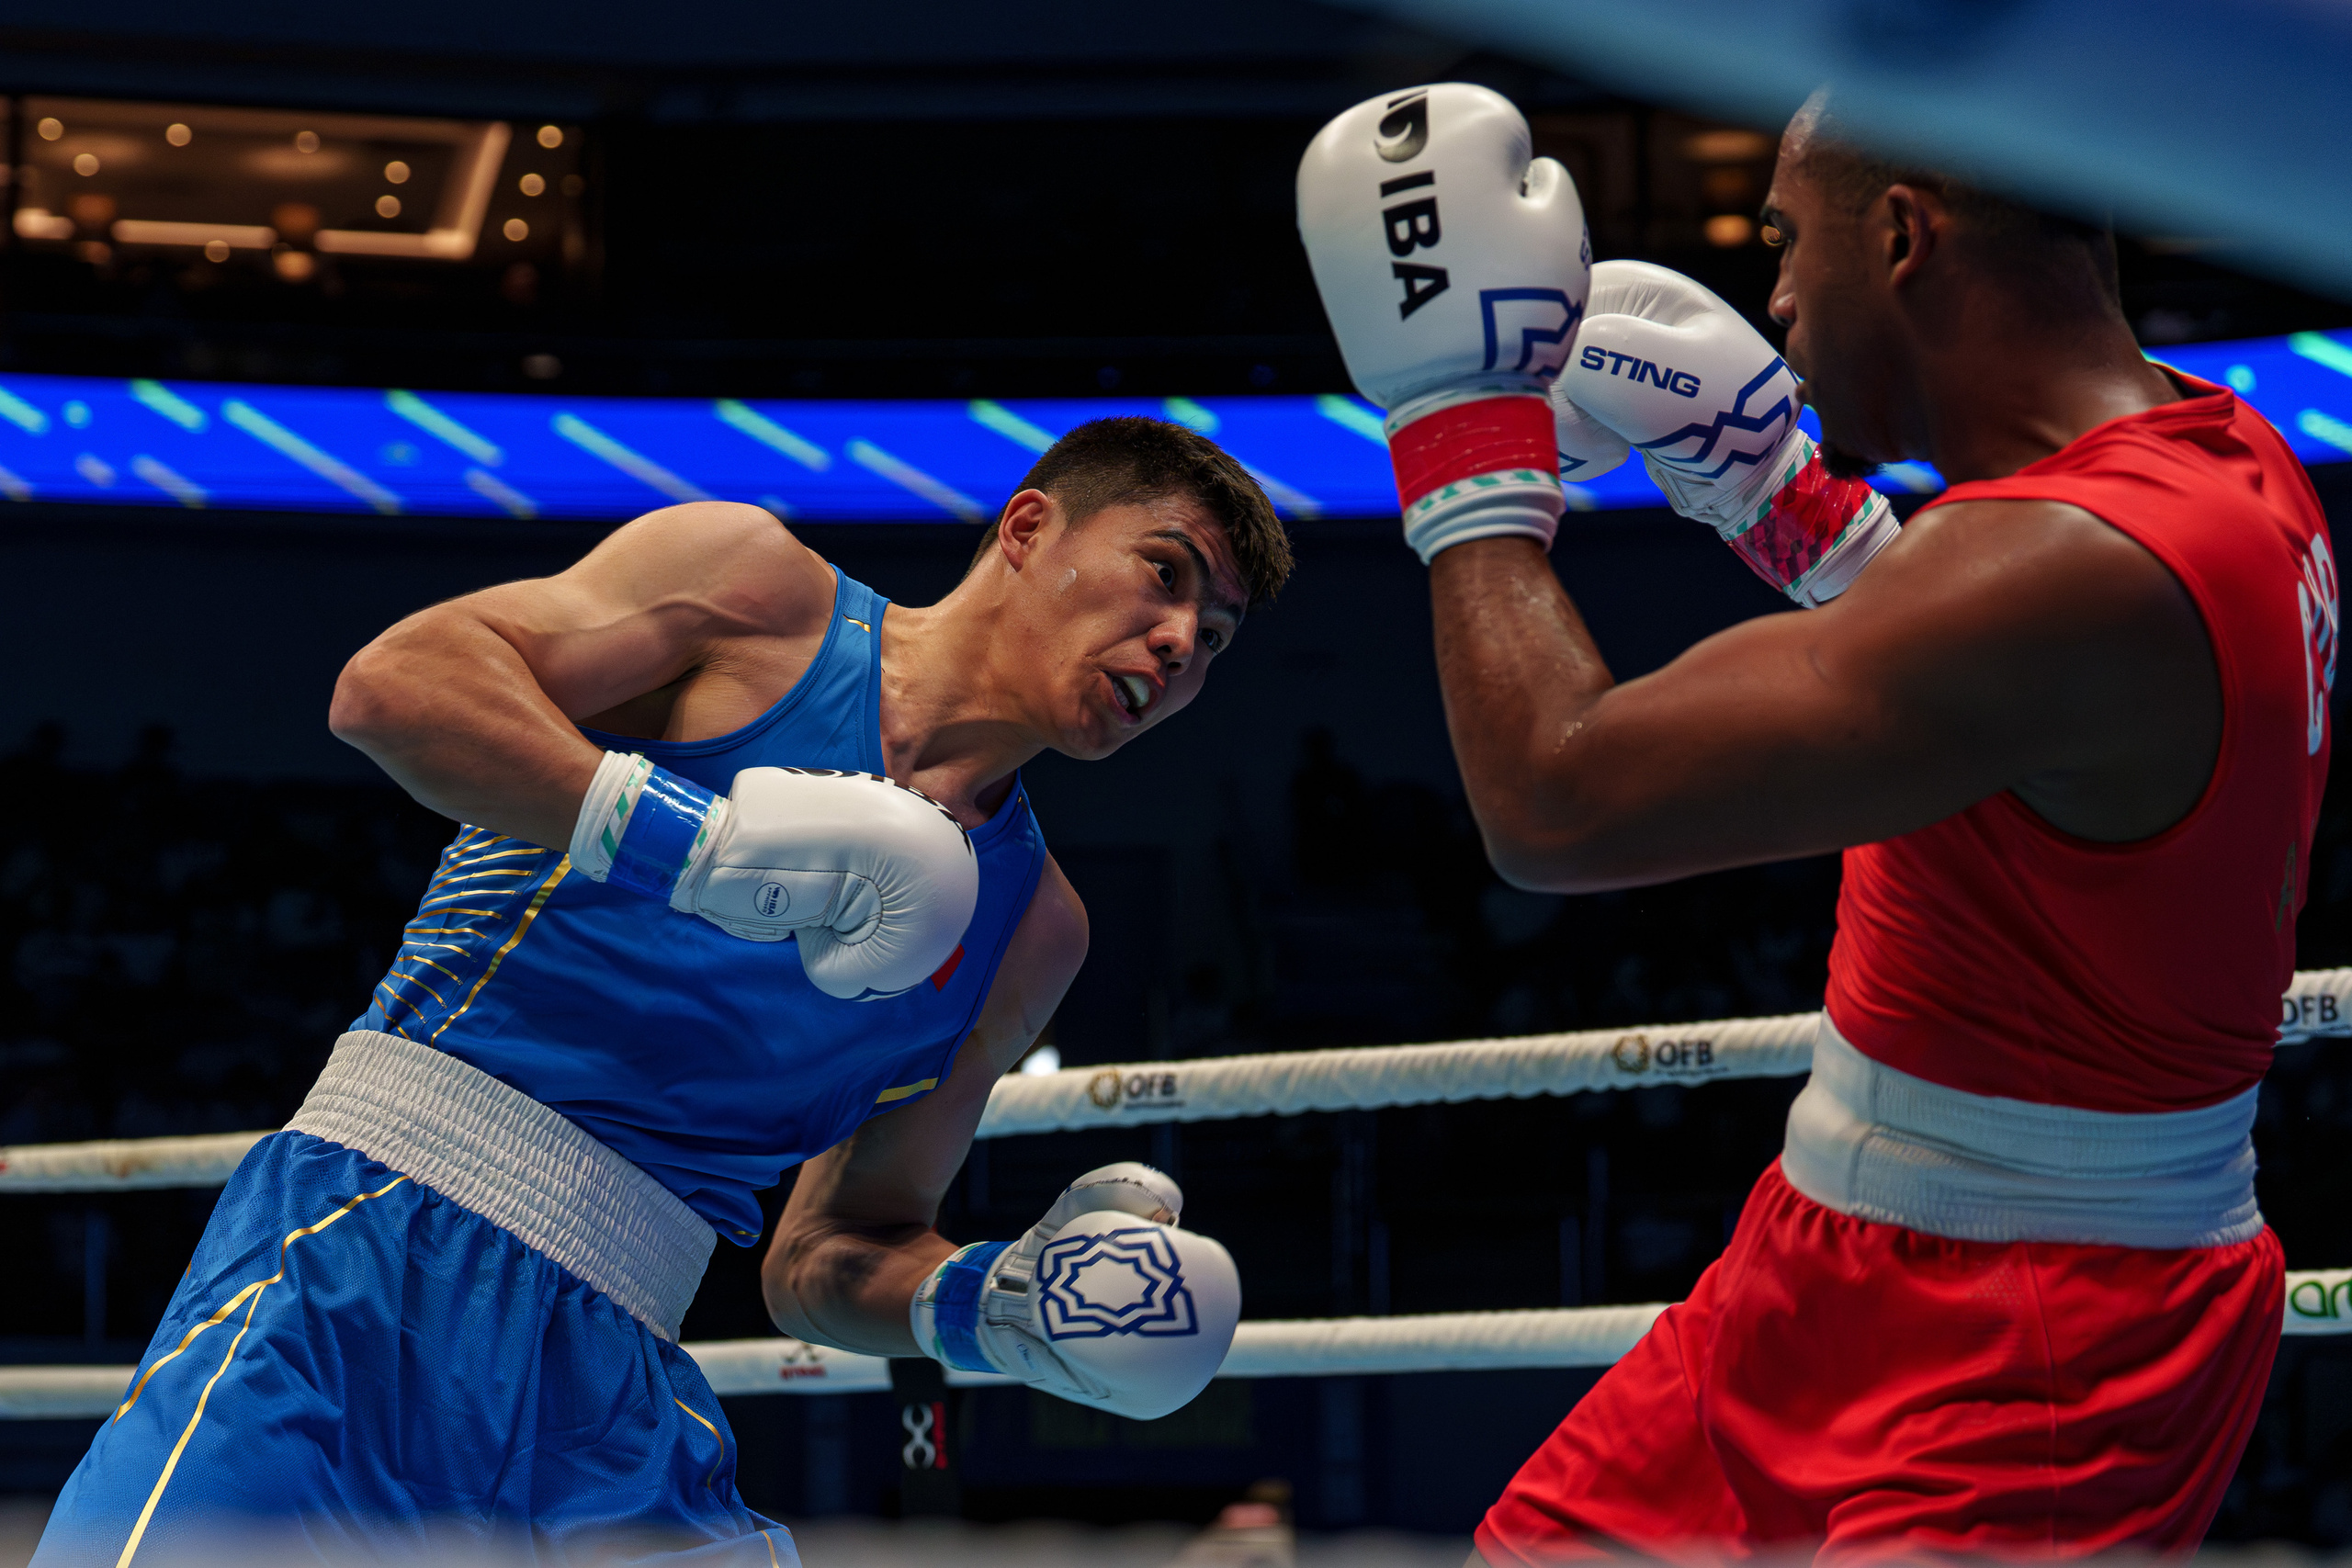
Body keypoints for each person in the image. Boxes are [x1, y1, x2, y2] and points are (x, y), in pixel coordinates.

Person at [1298, 84, 2332, 1559]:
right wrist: (1794, 515)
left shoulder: (2069, 568)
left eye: (1786, 242)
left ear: (1904, 236)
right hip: (1823, 1251)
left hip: (2042, 1329)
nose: (1771, 298)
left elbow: (1556, 801)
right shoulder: (2218, 459)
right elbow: (1998, 712)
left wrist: (1462, 422)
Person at [33, 416, 1287, 1566]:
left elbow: (831, 1251)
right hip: (361, 1249)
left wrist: (991, 1307)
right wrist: (703, 852)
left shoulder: (1032, 932)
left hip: (617, 1382)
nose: (1180, 644)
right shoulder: (757, 598)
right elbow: (395, 690)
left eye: (1217, 639)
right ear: (1027, 531)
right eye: (1165, 575)